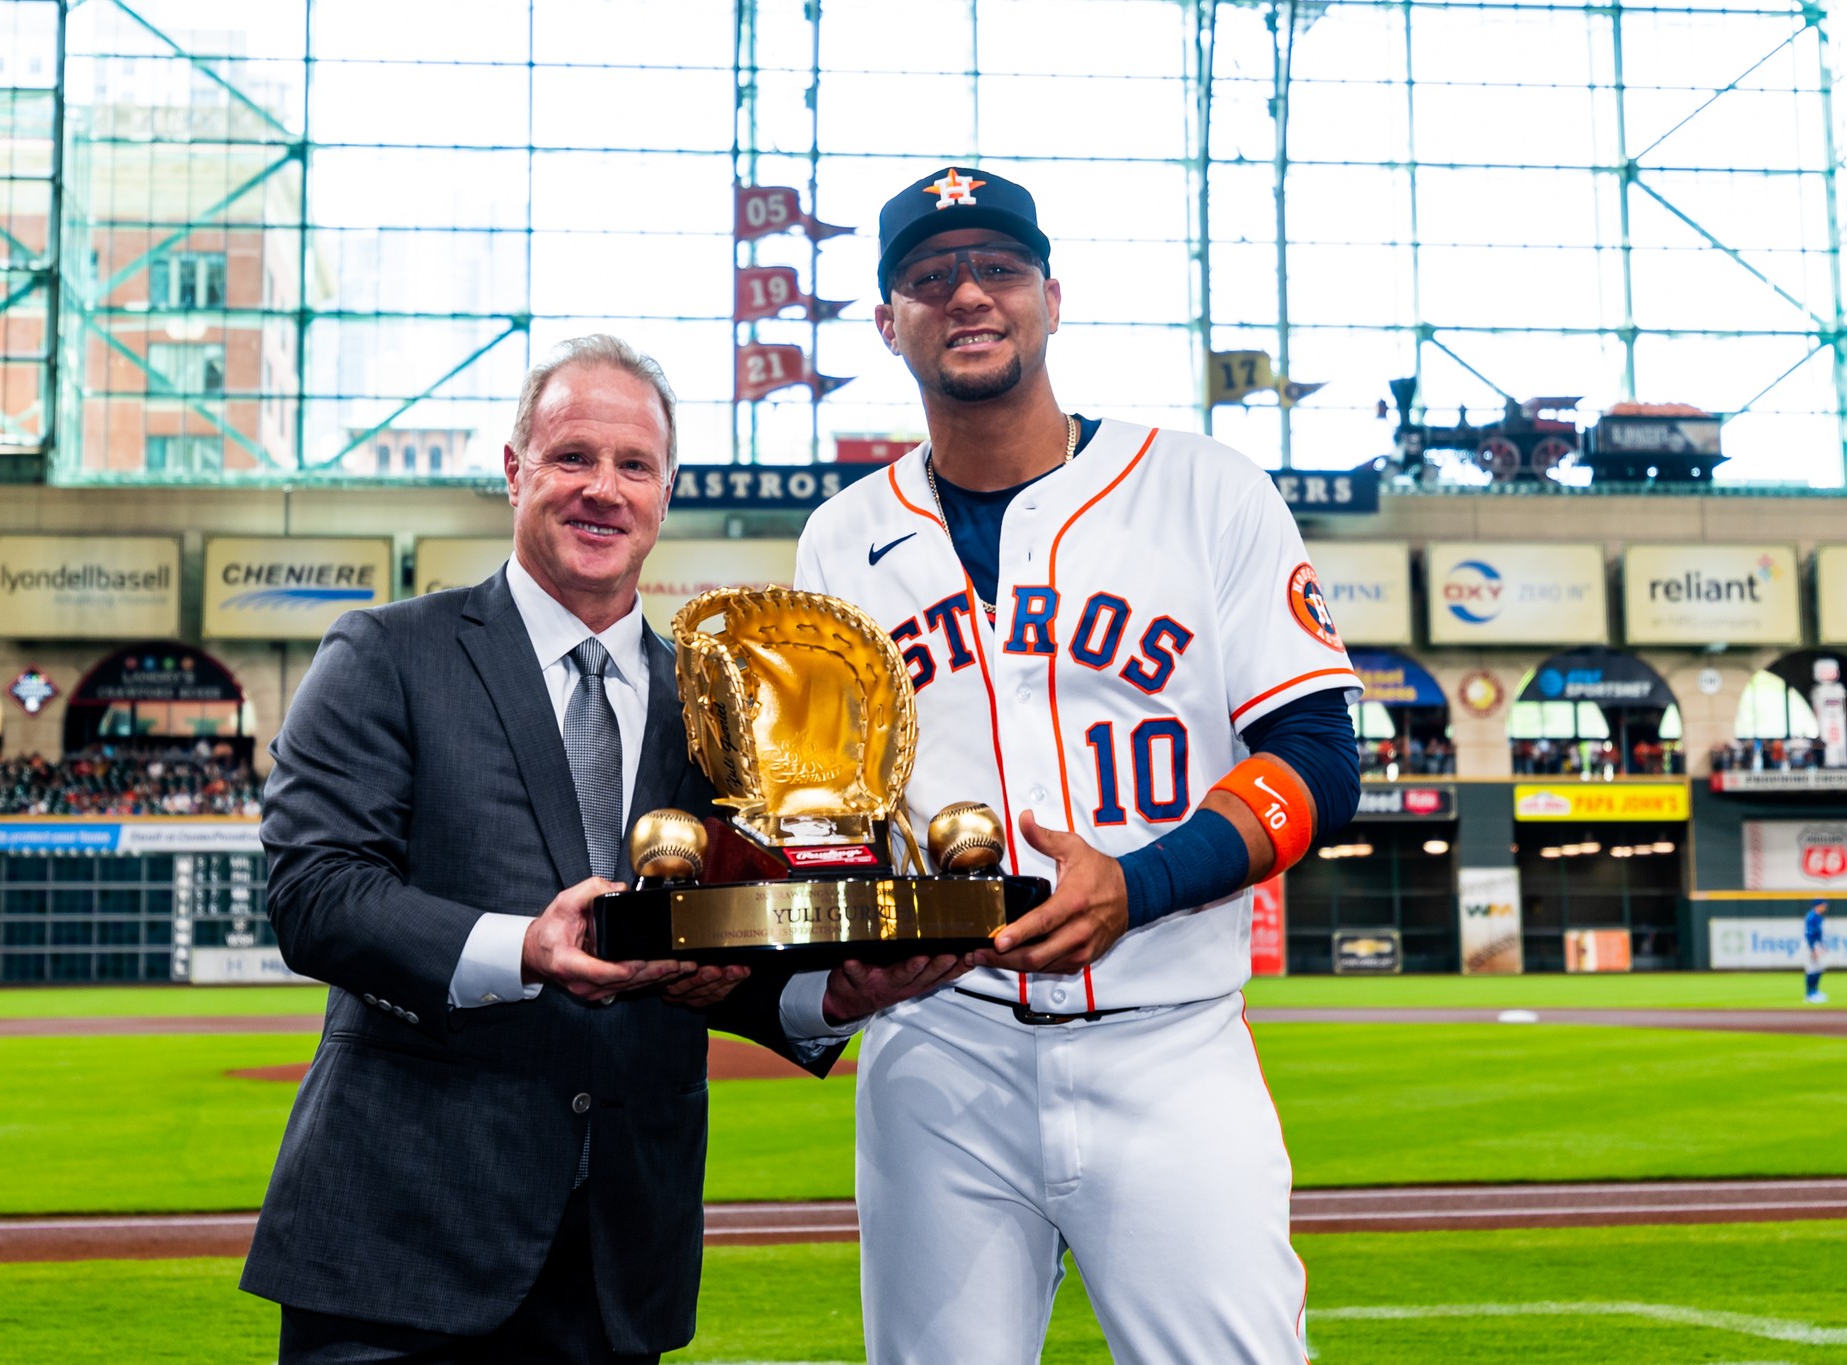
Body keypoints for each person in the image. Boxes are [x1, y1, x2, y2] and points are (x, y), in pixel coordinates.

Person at [241, 336, 937, 1364]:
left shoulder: (718, 709)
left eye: (633, 466)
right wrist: (524, 945)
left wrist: (826, 999)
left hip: (618, 1260)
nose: (600, 490)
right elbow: (315, 893)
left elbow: (706, 949)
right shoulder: (388, 654)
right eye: (571, 457)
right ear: (514, 468)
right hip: (400, 1243)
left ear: (665, 493)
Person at [794, 168, 1363, 1362]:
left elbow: (1314, 757)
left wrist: (1138, 884)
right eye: (928, 276)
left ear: (1050, 295)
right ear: (886, 320)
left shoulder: (1205, 490)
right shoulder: (839, 539)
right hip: (938, 1050)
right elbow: (821, 811)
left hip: (1169, 1040)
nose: (966, 296)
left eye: (996, 268)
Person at [1807, 900, 1829, 1003]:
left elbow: (1819, 934)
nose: (1825, 907)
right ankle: (1809, 994)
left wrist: (1821, 945)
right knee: (1811, 969)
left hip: (1816, 944)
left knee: (1818, 969)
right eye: (1823, 905)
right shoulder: (1812, 917)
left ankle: (1815, 992)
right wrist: (1812, 949)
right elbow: (1809, 934)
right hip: (1810, 945)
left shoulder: (1819, 917)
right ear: (1818, 906)